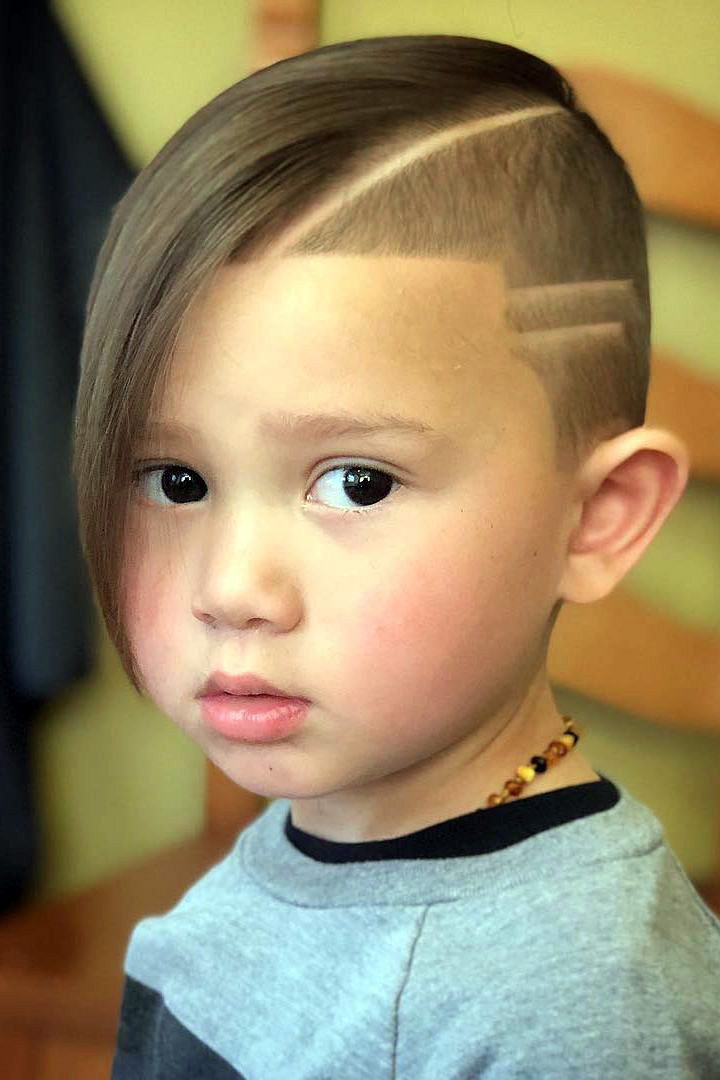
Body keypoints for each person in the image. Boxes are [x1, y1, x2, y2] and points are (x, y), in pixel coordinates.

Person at [74, 34, 720, 1079]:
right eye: (177, 482)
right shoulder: (311, 835)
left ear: (597, 517)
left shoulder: (577, 1007)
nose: (232, 589)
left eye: (356, 483)